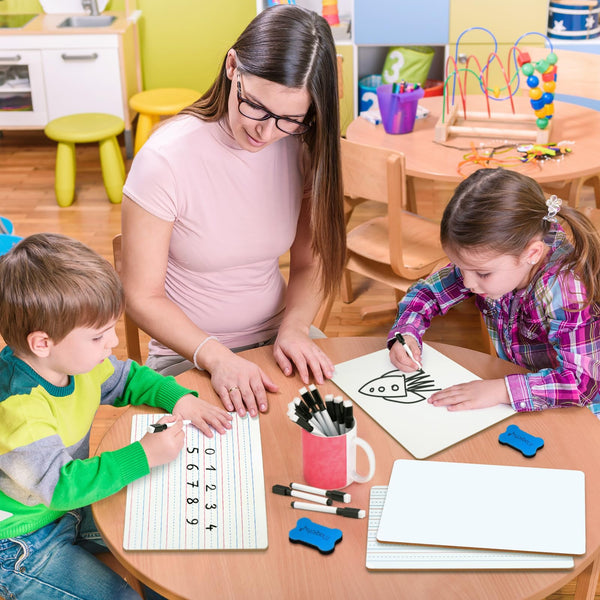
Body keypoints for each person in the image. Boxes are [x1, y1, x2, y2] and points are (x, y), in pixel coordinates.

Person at [120, 4, 346, 419]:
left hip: (279, 335)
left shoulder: (301, 149)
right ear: (232, 68)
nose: (266, 131)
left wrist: (294, 328)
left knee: (333, 433)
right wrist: (217, 356)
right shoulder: (166, 159)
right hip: (190, 354)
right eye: (256, 106)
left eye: (290, 119)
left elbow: (310, 260)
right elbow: (140, 296)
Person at [0, 233, 232, 600]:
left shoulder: (76, 362)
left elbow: (126, 378)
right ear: (42, 343)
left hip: (71, 505)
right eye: (98, 336)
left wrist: (177, 399)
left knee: (165, 547)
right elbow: (61, 486)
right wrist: (144, 455)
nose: (112, 344)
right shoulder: (19, 410)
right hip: (23, 538)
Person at [388, 168, 600, 415]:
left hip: (581, 414)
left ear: (532, 253)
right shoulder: (497, 258)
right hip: (527, 393)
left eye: (482, 274)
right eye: (461, 267)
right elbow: (428, 294)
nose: (468, 283)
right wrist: (406, 332)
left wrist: (501, 390)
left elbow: (583, 383)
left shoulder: (566, 290)